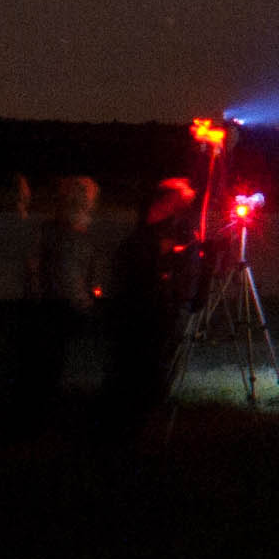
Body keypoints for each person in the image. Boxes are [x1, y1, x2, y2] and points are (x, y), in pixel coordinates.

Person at [92, 177, 202, 448]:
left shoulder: (176, 229)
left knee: (156, 363)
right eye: (180, 200)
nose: (185, 205)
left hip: (165, 306)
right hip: (144, 308)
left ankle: (140, 417)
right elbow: (136, 267)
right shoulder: (148, 233)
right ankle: (128, 423)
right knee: (138, 364)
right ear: (166, 201)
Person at [2, 173, 102, 436]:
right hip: (57, 309)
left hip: (51, 308)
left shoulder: (55, 234)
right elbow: (65, 276)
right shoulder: (65, 236)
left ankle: (35, 417)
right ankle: (38, 420)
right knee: (48, 366)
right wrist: (86, 303)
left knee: (45, 366)